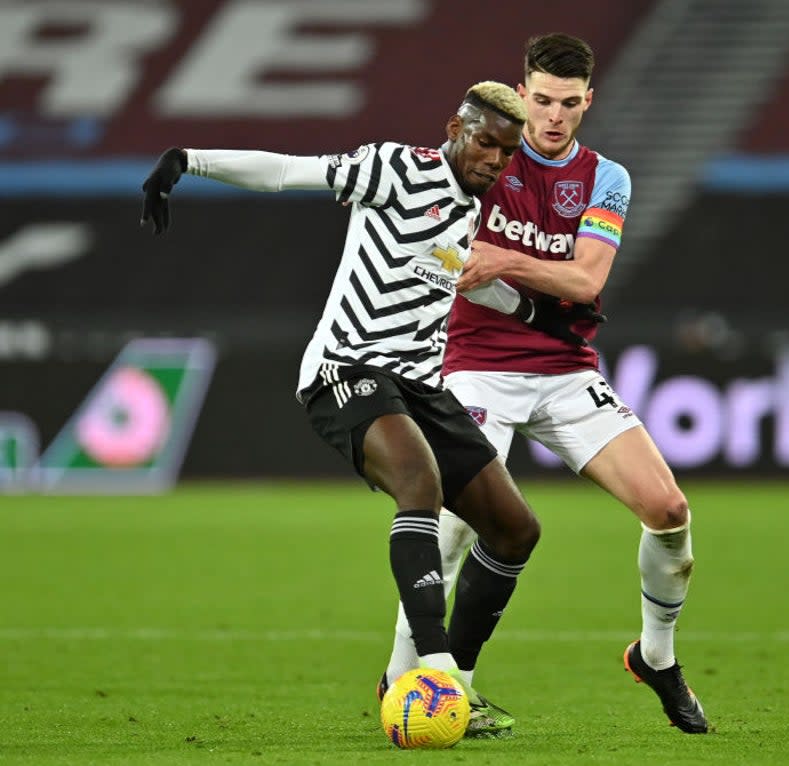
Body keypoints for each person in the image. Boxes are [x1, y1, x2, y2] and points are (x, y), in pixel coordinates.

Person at [139, 81, 584, 730]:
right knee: (421, 486)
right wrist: (188, 160)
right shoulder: (400, 169)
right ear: (455, 128)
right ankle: (428, 675)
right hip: (347, 369)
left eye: (506, 152)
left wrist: (532, 312)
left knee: (516, 529)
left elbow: (459, 275)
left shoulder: (468, 210)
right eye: (485, 143)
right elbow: (291, 172)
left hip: (421, 388)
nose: (494, 159)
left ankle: (455, 680)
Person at [382, 35, 709, 735]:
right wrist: (479, 266)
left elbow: (587, 279)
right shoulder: (482, 159)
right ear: (521, 92)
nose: (552, 117)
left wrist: (502, 258)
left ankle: (655, 656)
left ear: (587, 101)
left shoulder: (606, 178)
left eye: (568, 104)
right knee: (457, 520)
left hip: (565, 371)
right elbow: (439, 252)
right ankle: (416, 679)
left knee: (669, 509)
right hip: (478, 367)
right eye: (541, 100)